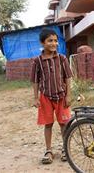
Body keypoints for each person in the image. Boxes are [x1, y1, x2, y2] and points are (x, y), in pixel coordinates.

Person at [31, 28, 73, 164]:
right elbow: (35, 80)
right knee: (48, 124)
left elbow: (68, 77)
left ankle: (65, 149)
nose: (54, 43)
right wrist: (35, 97)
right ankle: (48, 150)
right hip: (45, 97)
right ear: (42, 43)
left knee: (64, 124)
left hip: (61, 96)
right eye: (50, 41)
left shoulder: (62, 58)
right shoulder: (37, 61)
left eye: (55, 41)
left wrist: (68, 95)